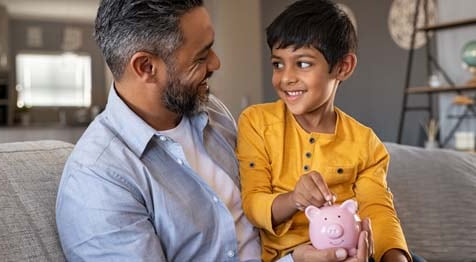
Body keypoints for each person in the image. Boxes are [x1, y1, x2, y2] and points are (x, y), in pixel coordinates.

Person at [55, 0, 263, 261]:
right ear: (146, 67)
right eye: (201, 56)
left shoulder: (213, 113)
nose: (216, 63)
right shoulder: (98, 180)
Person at [237, 0, 412, 262]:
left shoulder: (365, 143)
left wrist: (394, 257)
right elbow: (253, 203)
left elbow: (378, 209)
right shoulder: (256, 122)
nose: (285, 78)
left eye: (303, 64)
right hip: (289, 257)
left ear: (343, 67)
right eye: (278, 64)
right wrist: (295, 199)